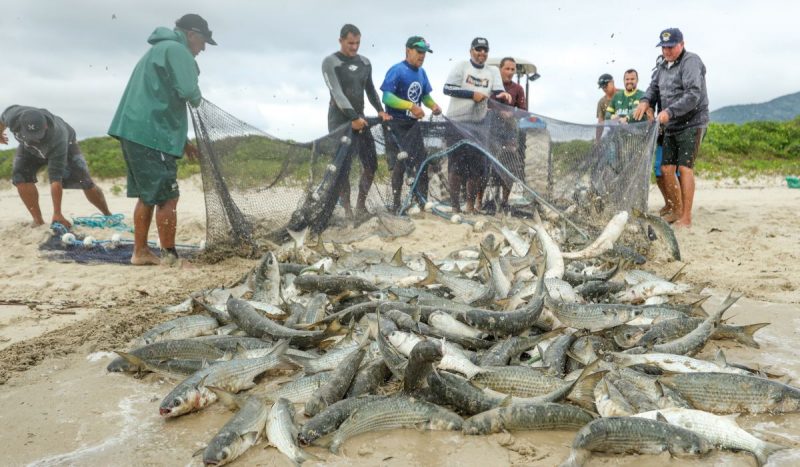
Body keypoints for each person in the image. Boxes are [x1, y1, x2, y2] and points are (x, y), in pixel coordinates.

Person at [108, 13, 216, 265]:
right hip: (150, 134)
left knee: (148, 195)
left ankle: (141, 252)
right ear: (191, 35)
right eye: (202, 42)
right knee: (168, 196)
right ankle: (169, 257)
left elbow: (161, 97)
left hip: (136, 131)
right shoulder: (177, 50)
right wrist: (197, 94)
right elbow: (189, 92)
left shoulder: (160, 49)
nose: (202, 49)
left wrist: (184, 142)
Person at [633, 28, 708, 227]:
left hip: (692, 122)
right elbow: (653, 88)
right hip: (671, 125)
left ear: (681, 44)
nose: (666, 51)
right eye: (664, 47)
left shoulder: (691, 61)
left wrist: (669, 112)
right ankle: (676, 210)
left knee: (684, 168)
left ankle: (687, 217)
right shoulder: (662, 66)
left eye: (671, 47)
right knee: (666, 169)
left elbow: (693, 94)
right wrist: (645, 101)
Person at [0, 105, 111, 228]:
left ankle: (108, 215)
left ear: (45, 126)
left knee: (85, 181)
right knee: (19, 177)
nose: (35, 139)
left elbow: (56, 180)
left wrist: (57, 213)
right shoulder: (13, 115)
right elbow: (2, 120)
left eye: (38, 135)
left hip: (65, 145)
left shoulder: (59, 137)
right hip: (28, 149)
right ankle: (38, 221)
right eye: (31, 135)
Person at [322, 24, 390, 221]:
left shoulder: (365, 63)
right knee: (343, 167)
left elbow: (370, 89)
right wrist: (353, 118)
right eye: (350, 43)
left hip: (360, 118)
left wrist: (380, 110)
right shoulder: (331, 62)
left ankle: (360, 205)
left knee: (371, 164)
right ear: (341, 40)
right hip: (340, 120)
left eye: (358, 43)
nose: (354, 47)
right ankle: (347, 210)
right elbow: (337, 93)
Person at [443, 37, 511, 214]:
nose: (482, 53)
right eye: (478, 49)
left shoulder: (492, 71)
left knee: (476, 167)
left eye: (485, 50)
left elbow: (497, 90)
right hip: (457, 122)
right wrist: (471, 94)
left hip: (479, 124)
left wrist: (504, 95)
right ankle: (455, 206)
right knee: (456, 165)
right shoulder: (462, 67)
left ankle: (471, 206)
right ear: (471, 51)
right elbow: (448, 88)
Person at [380, 36, 442, 213]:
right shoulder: (397, 70)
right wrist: (410, 106)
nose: (422, 56)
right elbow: (387, 97)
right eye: (419, 52)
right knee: (400, 163)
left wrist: (433, 106)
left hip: (413, 126)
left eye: (424, 53)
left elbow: (424, 96)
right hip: (395, 124)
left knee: (421, 162)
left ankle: (421, 201)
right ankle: (396, 203)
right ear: (408, 50)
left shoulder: (422, 73)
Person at [480, 57, 527, 211]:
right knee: (485, 163)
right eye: (507, 69)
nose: (510, 72)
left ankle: (505, 202)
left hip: (509, 132)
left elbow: (523, 111)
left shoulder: (518, 89)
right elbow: (482, 104)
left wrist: (512, 114)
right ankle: (479, 200)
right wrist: (494, 111)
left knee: (509, 163)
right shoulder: (490, 86)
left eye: (513, 69)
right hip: (490, 130)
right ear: (499, 69)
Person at [595, 73, 616, 142]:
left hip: (628, 131)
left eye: (606, 86)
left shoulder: (623, 94)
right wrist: (597, 140)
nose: (604, 89)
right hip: (613, 135)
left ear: (612, 82)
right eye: (602, 87)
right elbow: (600, 123)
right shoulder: (601, 102)